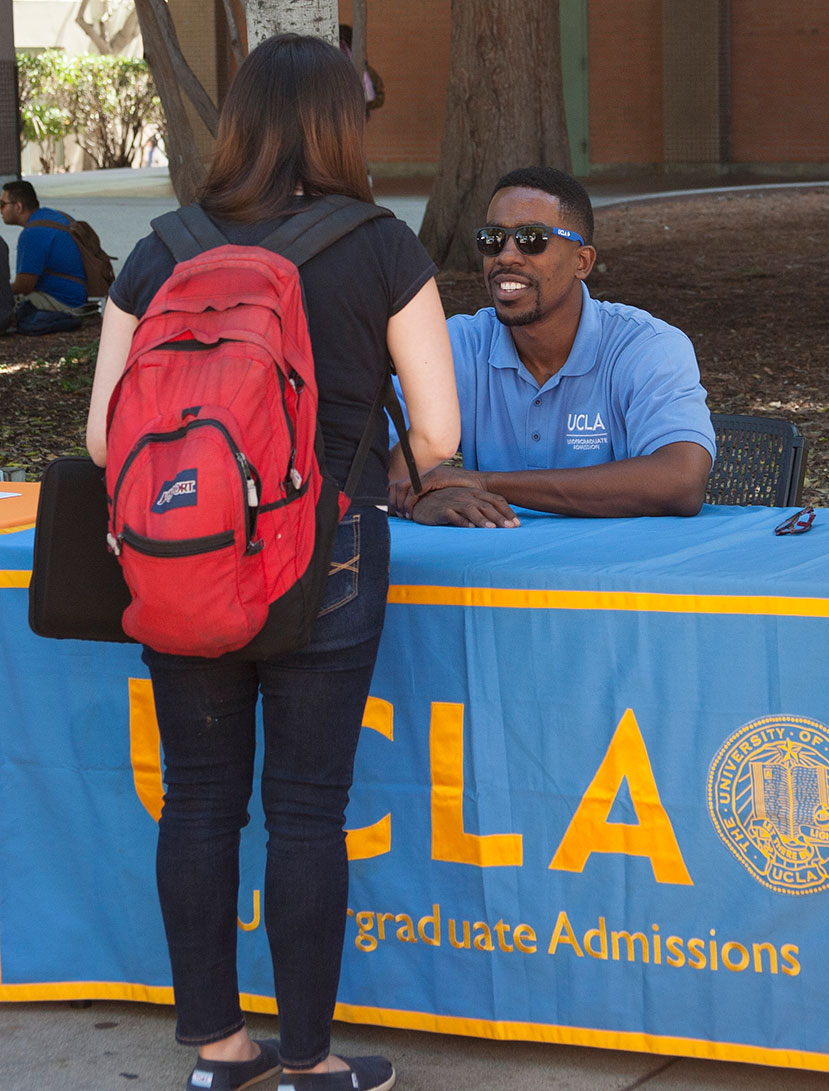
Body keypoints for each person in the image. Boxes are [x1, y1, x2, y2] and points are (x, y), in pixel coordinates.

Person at [85, 33, 459, 1091]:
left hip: (181, 555)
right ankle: (310, 1058)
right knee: (307, 808)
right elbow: (435, 436)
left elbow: (108, 441)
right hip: (324, 554)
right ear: (342, 124)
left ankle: (215, 1051)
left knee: (199, 801)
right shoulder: (381, 245)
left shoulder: (162, 248)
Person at [390, 166, 715, 528]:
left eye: (532, 239)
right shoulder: (458, 345)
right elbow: (365, 464)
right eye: (492, 239)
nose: (506, 256)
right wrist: (415, 501)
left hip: (620, 574)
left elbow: (682, 480)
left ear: (582, 261)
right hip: (492, 575)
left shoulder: (646, 347)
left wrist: (487, 483)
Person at [1, 180, 88, 328]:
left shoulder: (32, 234)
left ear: (19, 207)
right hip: (80, 296)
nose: (0, 210)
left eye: (2, 205)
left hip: (63, 302)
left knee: (5, 303)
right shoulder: (56, 217)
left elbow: (24, 286)